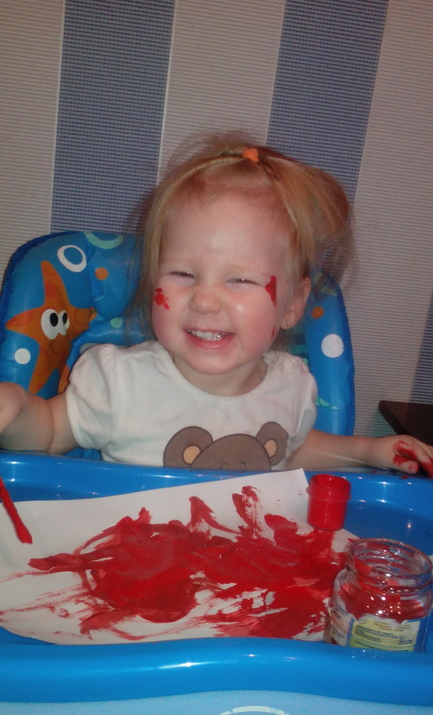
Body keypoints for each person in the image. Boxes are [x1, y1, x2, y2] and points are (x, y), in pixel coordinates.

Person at [0, 134, 432, 476]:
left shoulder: (293, 385)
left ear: (292, 305)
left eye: (240, 280)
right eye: (182, 274)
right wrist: (15, 410)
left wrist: (368, 451)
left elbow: (292, 450)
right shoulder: (120, 383)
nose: (204, 300)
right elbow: (49, 433)